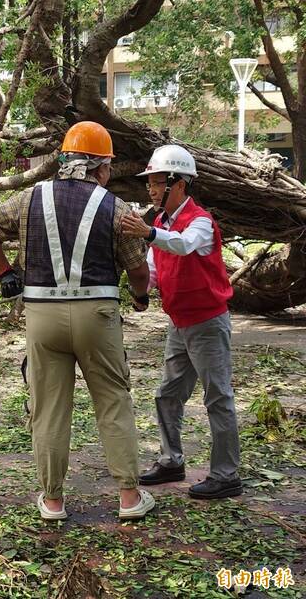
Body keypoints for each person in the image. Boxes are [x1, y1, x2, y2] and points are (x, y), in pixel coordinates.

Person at [0, 121, 155, 520]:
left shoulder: (28, 199)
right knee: (112, 403)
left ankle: (53, 501)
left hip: (42, 317)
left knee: (50, 409)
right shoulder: (117, 207)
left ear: (65, 161)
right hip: (98, 316)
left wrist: (6, 273)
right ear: (101, 168)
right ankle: (128, 498)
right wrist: (140, 296)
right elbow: (139, 270)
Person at [122, 144, 241, 500]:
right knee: (167, 394)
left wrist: (147, 234)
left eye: (157, 184)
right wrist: (143, 290)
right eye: (150, 185)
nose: (152, 190)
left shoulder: (199, 222)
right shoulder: (160, 222)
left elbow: (184, 246)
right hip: (180, 323)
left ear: (178, 183)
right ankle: (171, 460)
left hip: (207, 322)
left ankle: (226, 475)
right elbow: (157, 265)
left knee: (218, 397)